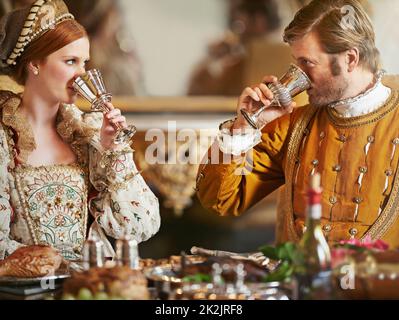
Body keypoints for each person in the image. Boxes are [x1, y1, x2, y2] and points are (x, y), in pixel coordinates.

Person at [196, 0, 399, 248]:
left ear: (350, 59)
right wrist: (243, 127)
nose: (299, 73)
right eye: (296, 62)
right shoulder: (294, 125)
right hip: (296, 284)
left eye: (307, 63)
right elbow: (219, 199)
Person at [0, 0, 160, 260]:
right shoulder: (4, 139)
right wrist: (55, 266)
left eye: (84, 63)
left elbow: (138, 227)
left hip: (92, 284)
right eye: (70, 61)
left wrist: (112, 150)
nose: (81, 75)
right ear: (35, 64)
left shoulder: (86, 132)